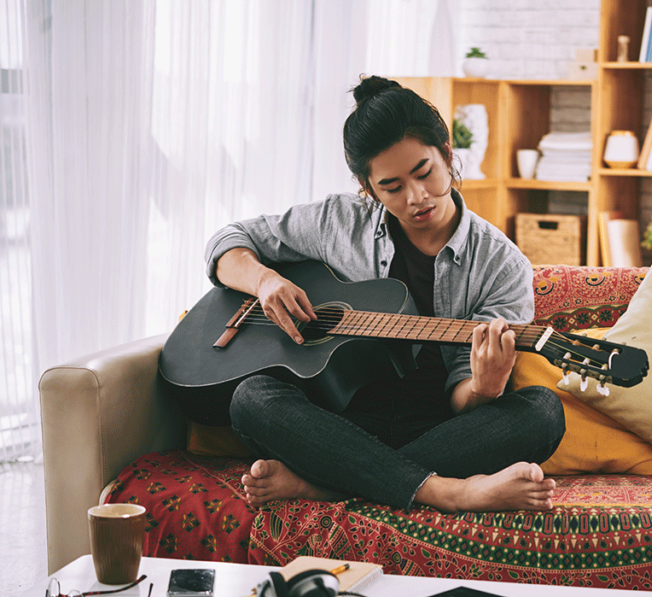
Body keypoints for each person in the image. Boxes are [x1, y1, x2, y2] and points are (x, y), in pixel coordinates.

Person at [204, 75, 565, 513]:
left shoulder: (501, 265)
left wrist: (484, 389)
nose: (417, 198)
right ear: (367, 188)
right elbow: (229, 240)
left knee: (542, 412)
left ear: (447, 156)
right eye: (391, 188)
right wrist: (264, 280)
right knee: (252, 398)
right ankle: (450, 492)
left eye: (425, 173)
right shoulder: (338, 221)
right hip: (336, 422)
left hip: (437, 429)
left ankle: (326, 484)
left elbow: (460, 399)